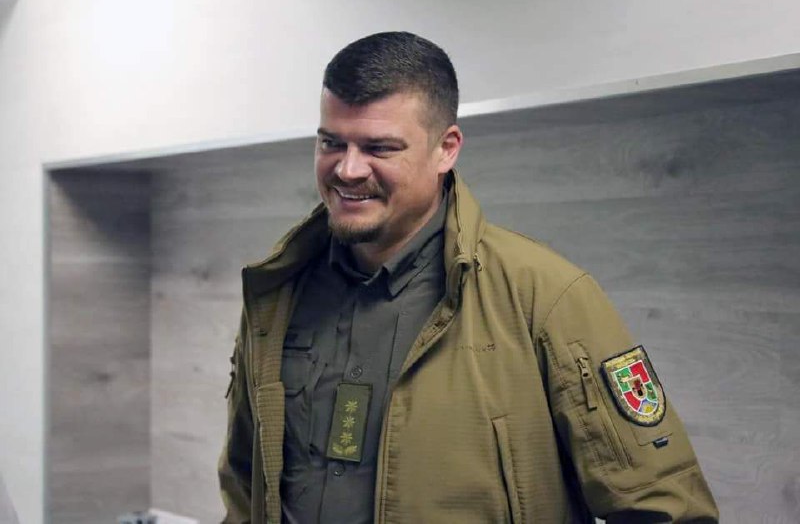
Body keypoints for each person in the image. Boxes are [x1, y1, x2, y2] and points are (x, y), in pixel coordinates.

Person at [218, 31, 719, 523]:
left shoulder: (545, 296)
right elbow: (244, 491)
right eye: (332, 142)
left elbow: (665, 508)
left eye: (379, 148)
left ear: (447, 148)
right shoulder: (276, 294)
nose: (348, 170)